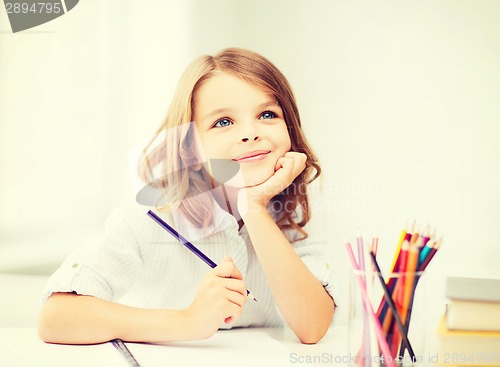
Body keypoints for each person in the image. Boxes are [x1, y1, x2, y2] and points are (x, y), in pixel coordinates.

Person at [38, 47, 336, 345]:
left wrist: (254, 207)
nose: (250, 133)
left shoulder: (300, 208)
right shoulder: (151, 214)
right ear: (191, 146)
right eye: (223, 122)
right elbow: (55, 318)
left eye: (267, 114)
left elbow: (313, 327)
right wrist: (187, 320)